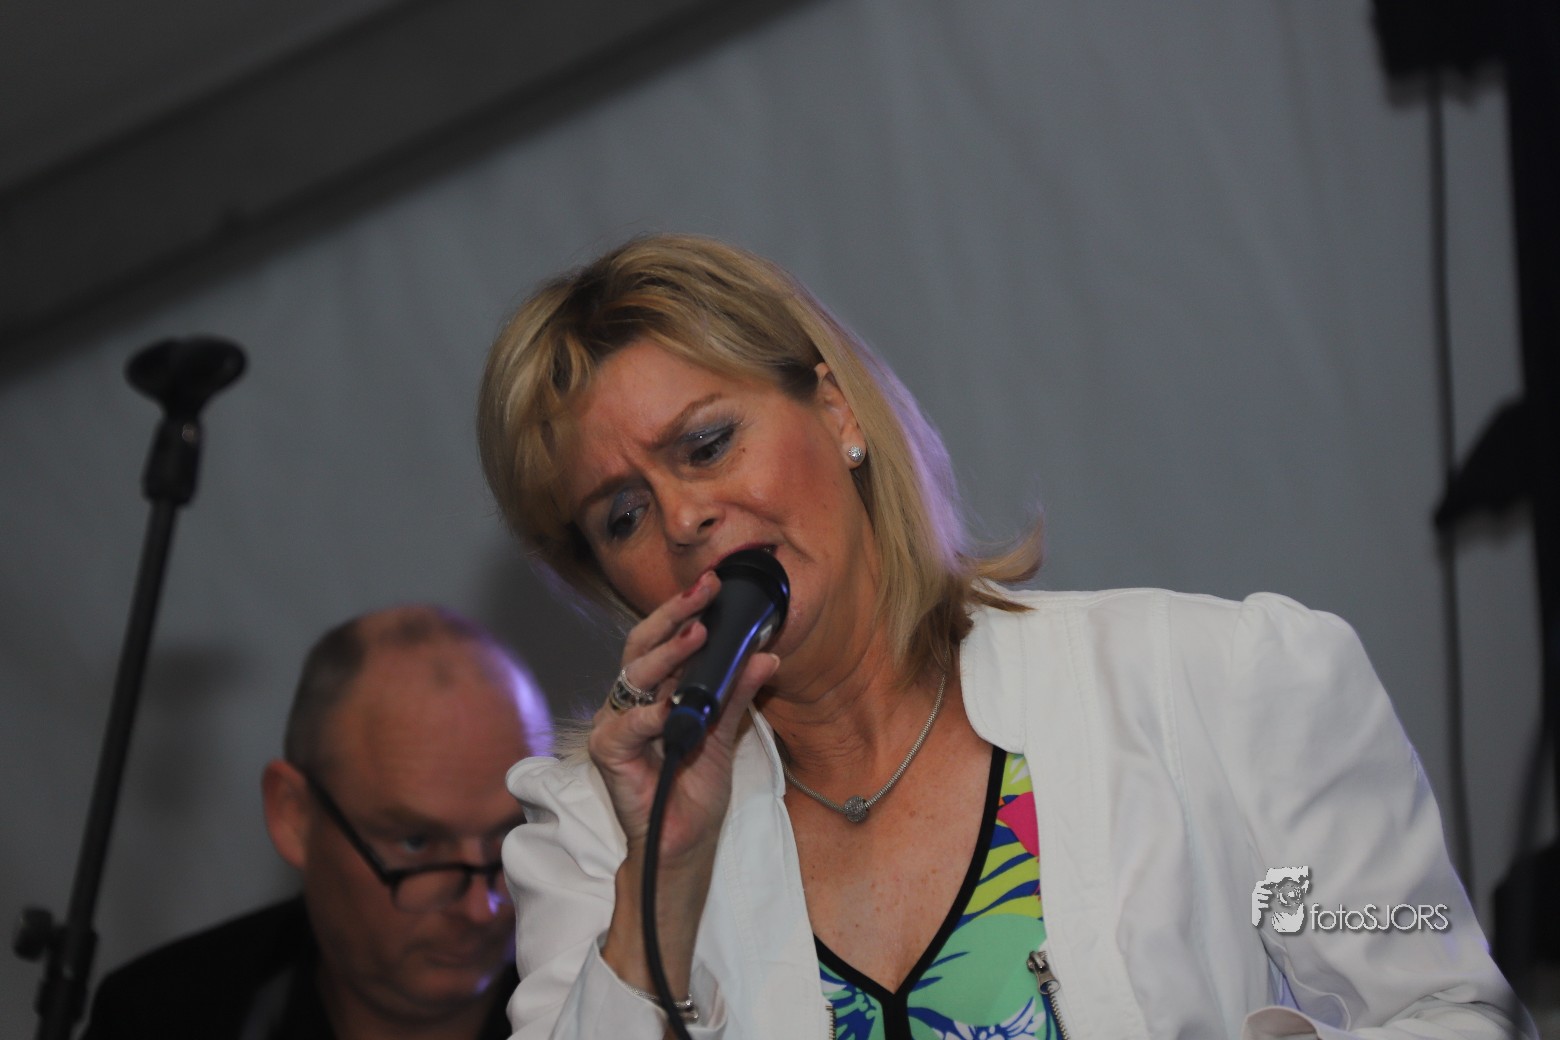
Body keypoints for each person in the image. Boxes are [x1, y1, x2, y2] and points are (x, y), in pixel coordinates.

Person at [476, 234, 1527, 1038]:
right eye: (621, 514)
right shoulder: (598, 838)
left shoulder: (1219, 684)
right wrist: (663, 876)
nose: (681, 518)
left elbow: (1454, 1016)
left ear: (836, 412)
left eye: (707, 443)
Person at [81, 604, 553, 1040]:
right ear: (295, 816)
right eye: (416, 843)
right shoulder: (162, 1017)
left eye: (510, 835)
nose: (482, 910)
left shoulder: (592, 1008)